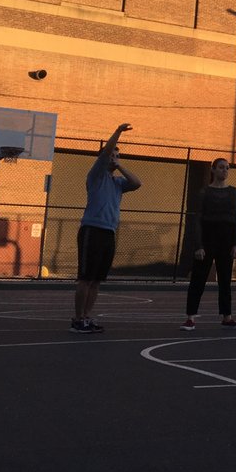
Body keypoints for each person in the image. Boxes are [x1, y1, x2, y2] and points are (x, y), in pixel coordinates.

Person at [72, 123, 142, 333]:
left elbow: (137, 183)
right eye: (111, 155)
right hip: (92, 230)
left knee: (96, 281)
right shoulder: (96, 175)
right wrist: (118, 132)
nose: (114, 158)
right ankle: (77, 319)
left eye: (117, 156)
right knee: (85, 278)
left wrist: (120, 166)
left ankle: (87, 317)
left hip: (109, 232)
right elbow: (106, 153)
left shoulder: (118, 183)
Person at [181, 158, 236, 331]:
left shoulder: (234, 193)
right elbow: (197, 219)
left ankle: (227, 317)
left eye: (227, 168)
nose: (225, 170)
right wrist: (198, 245)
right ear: (213, 169)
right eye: (221, 167)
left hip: (227, 239)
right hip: (208, 238)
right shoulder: (204, 192)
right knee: (198, 279)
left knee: (225, 280)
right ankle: (190, 318)